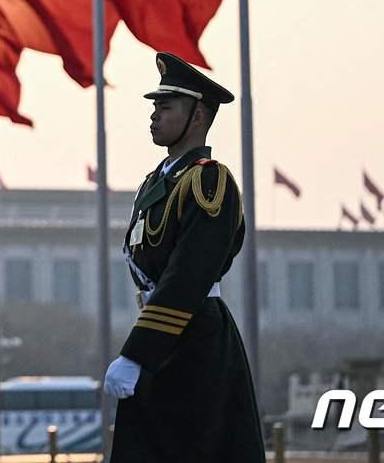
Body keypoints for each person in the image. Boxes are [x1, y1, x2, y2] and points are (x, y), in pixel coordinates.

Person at [103, 52, 262, 462]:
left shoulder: (209, 180)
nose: (154, 116)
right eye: (154, 107)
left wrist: (137, 351)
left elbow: (188, 274)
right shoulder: (158, 181)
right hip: (164, 338)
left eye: (166, 106)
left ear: (196, 117)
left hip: (196, 341)